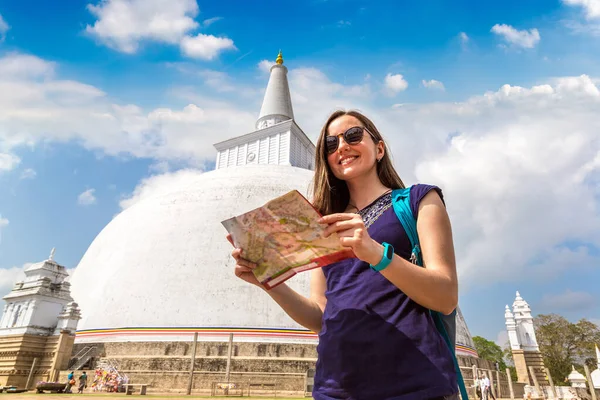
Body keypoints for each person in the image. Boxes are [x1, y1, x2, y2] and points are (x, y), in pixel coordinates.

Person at [229, 110, 459, 399]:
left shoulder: (418, 200)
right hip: (336, 386)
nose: (342, 147)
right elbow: (321, 316)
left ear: (379, 148)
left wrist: (376, 253)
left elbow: (446, 297)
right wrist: (268, 281)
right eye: (330, 144)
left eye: (353, 135)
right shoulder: (322, 222)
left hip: (412, 383)